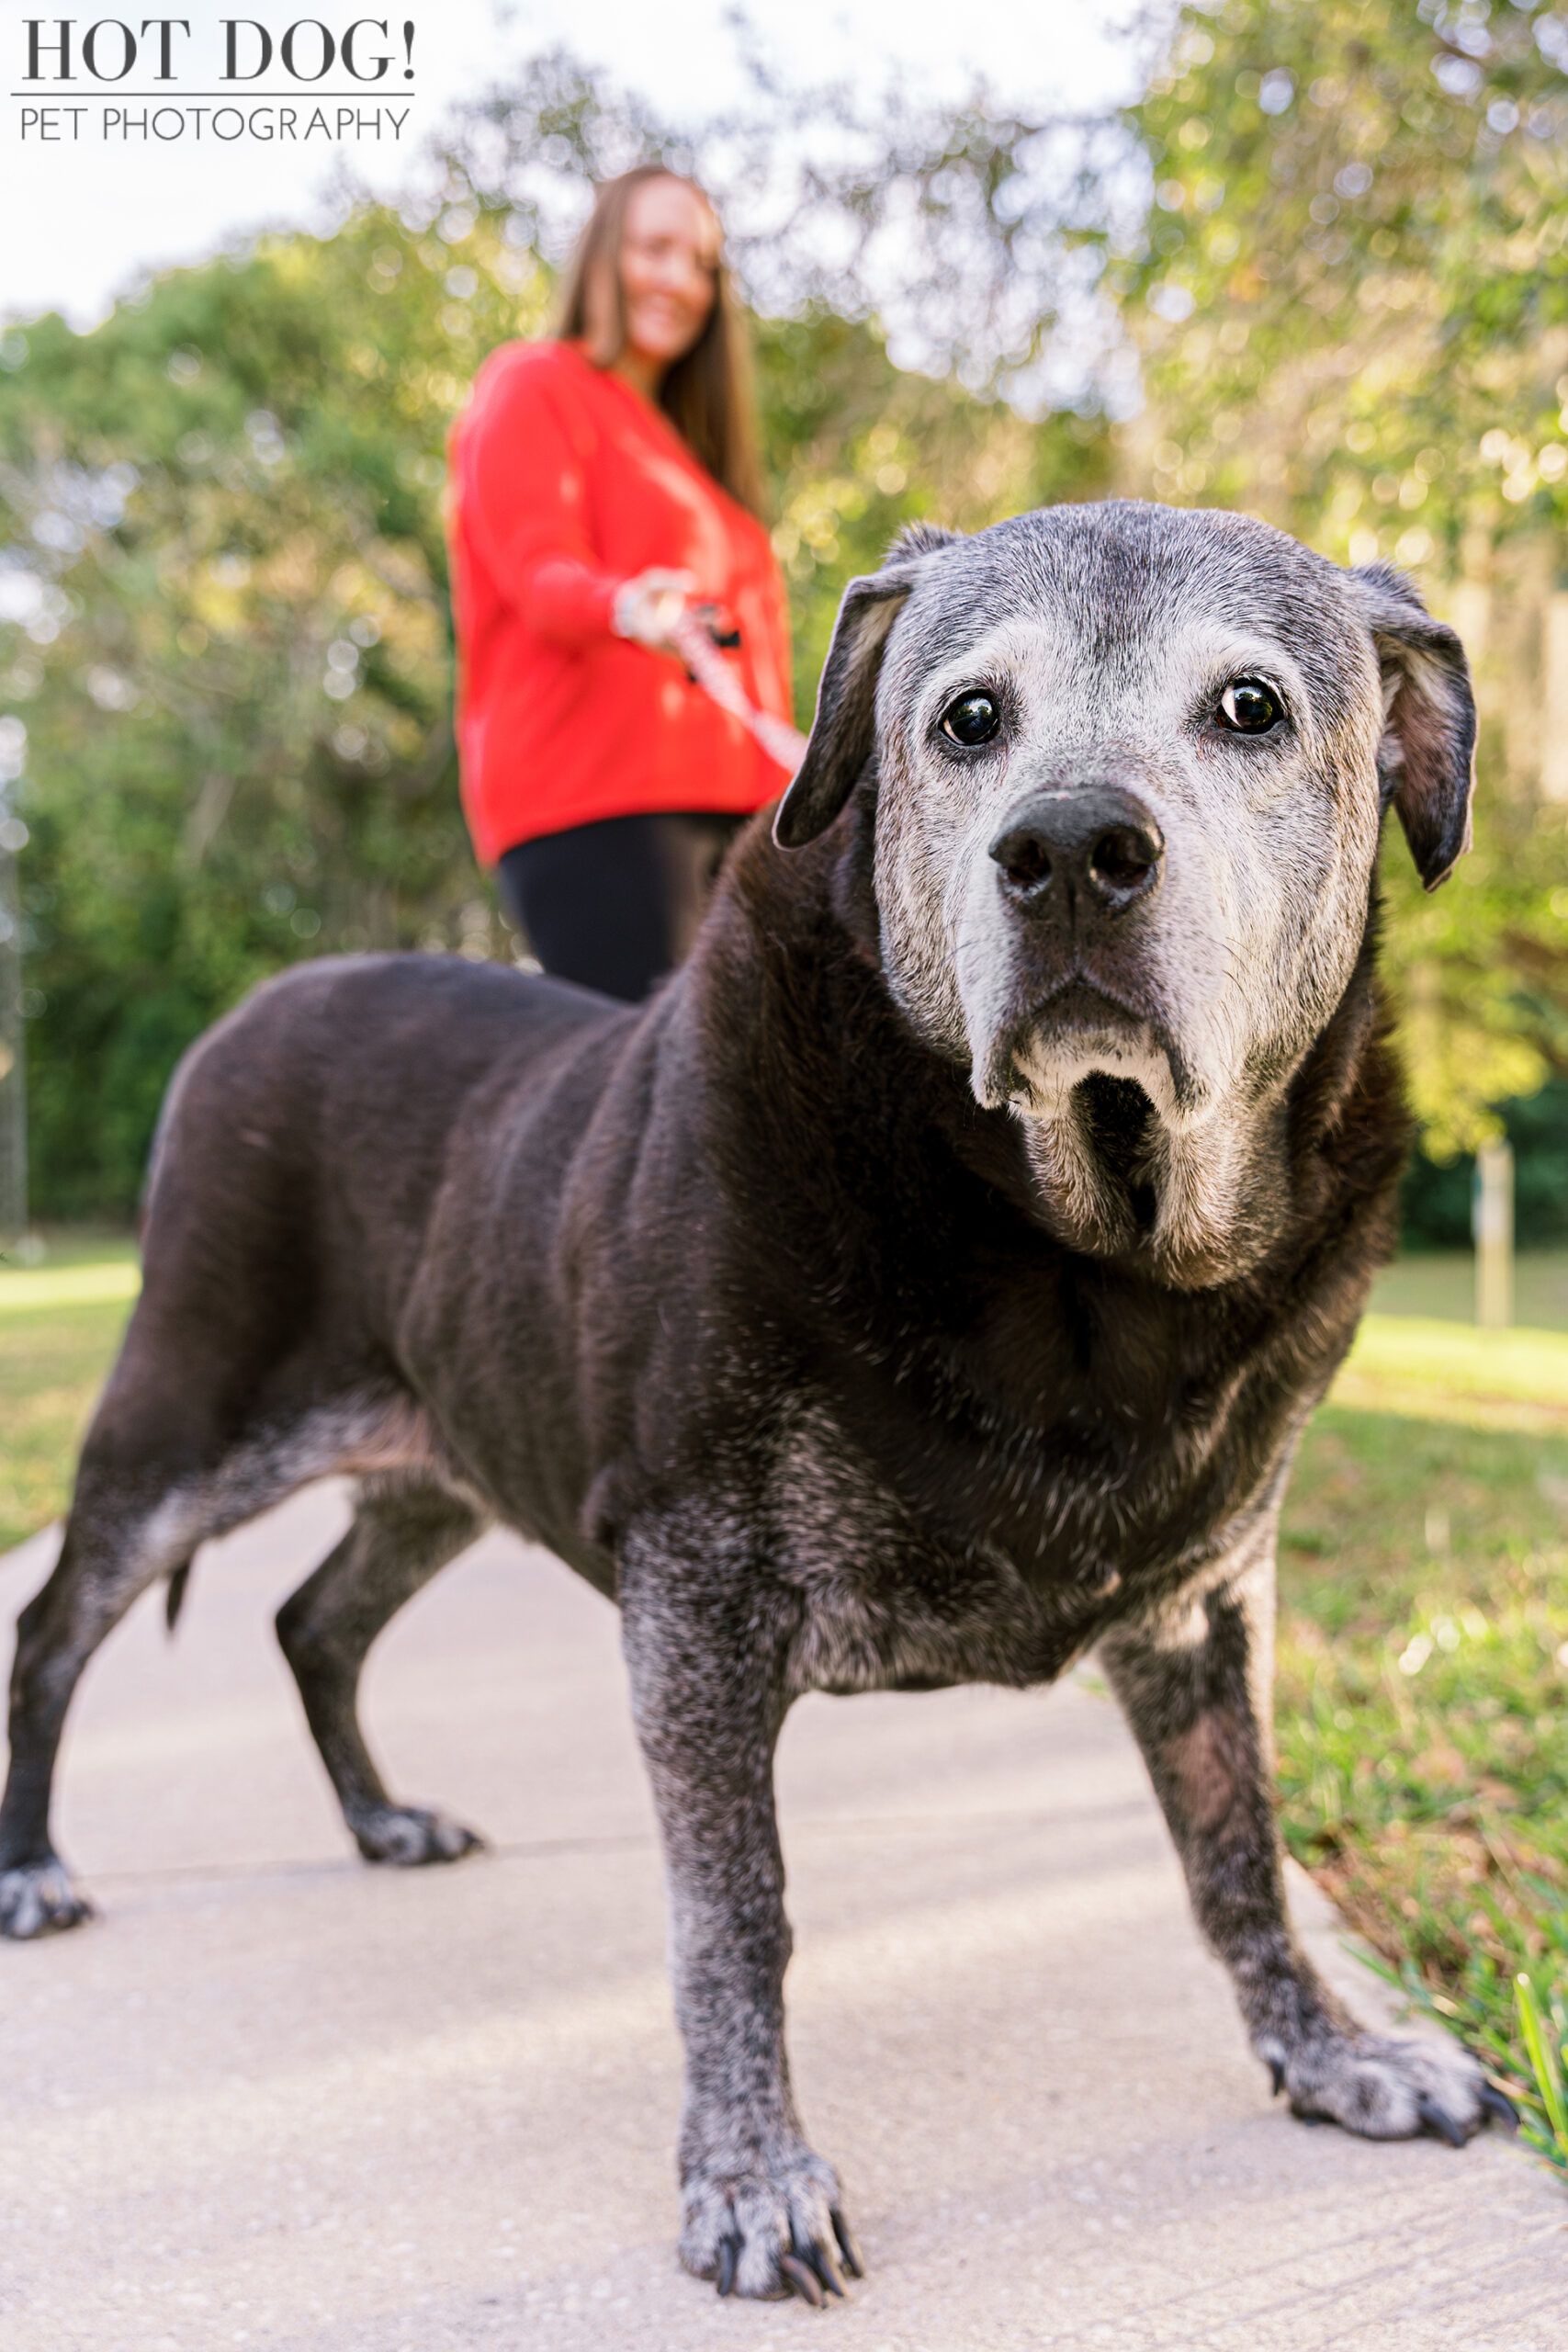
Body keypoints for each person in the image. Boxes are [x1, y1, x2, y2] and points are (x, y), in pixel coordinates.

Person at [447, 164, 795, 1002]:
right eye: (656, 248)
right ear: (604, 255)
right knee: (668, 1106)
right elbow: (540, 571)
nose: (679, 279)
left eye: (702, 263)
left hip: (746, 818)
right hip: (602, 808)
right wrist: (628, 604)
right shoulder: (535, 383)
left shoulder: (701, 466)